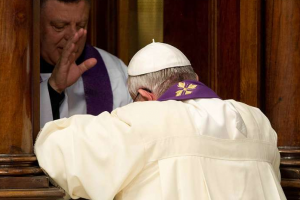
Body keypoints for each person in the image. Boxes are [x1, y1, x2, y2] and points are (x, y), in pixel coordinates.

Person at [35, 42, 286, 200]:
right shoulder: (256, 120)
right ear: (195, 78)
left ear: (145, 96)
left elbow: (55, 146)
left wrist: (55, 87)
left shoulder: (144, 120)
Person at [40, 0, 132, 128]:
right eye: (59, 26)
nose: (73, 36)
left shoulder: (114, 71)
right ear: (36, 24)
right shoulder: (12, 74)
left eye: (81, 26)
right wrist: (53, 89)